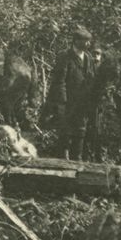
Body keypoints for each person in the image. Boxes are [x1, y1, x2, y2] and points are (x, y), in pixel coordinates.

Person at [47, 25, 97, 161]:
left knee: (81, 129)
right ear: (76, 41)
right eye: (85, 41)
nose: (88, 44)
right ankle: (62, 159)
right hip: (68, 101)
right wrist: (62, 102)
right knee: (65, 130)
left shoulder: (88, 58)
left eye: (89, 41)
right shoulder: (65, 56)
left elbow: (93, 78)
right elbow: (60, 81)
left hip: (83, 101)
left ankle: (78, 158)